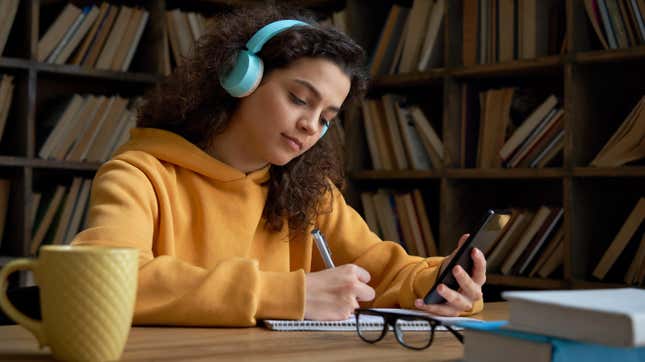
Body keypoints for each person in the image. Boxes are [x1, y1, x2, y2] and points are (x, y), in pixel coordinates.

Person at [71, 5, 486, 326]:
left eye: (326, 118)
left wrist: (440, 284)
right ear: (242, 79)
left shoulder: (311, 193)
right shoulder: (140, 175)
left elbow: (383, 268)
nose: (310, 125)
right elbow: (105, 282)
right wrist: (290, 295)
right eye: (299, 99)